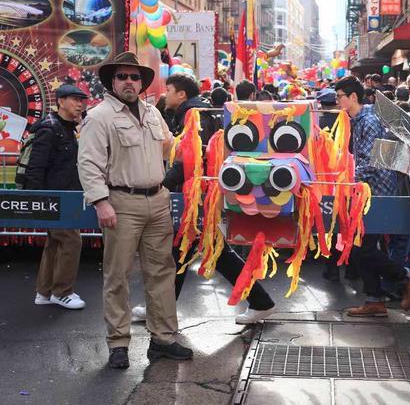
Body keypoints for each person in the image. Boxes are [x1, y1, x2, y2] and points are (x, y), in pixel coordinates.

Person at [78, 52, 193, 369]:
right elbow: (88, 164)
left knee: (162, 272)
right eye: (122, 76)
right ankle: (118, 344)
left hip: (158, 200)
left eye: (134, 77)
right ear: (112, 82)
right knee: (118, 276)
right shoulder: (100, 116)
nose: (129, 82)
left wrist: (202, 141)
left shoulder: (153, 114)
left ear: (142, 83)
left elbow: (170, 147)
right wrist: (101, 202)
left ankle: (163, 340)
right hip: (121, 204)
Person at [148, 72, 276, 325]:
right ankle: (261, 302)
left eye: (169, 90)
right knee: (205, 251)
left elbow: (191, 159)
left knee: (187, 249)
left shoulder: (194, 115)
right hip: (200, 194)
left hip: (198, 195)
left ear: (182, 94)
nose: (166, 94)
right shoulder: (196, 112)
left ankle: (162, 311)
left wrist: (163, 183)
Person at [334, 76, 410, 317]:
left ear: (353, 97)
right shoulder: (358, 119)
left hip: (377, 192)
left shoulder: (369, 120)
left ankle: (407, 276)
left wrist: (343, 178)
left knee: (362, 247)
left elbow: (371, 163)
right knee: (362, 246)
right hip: (365, 191)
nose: (337, 100)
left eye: (339, 96)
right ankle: (375, 300)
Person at [28, 85, 88, 310]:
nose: (80, 104)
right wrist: (39, 201)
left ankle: (44, 292)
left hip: (64, 197)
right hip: (54, 199)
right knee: (71, 240)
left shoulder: (68, 128)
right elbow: (36, 167)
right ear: (61, 102)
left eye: (82, 100)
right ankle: (62, 292)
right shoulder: (49, 128)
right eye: (75, 99)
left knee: (54, 243)